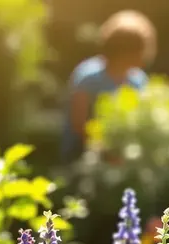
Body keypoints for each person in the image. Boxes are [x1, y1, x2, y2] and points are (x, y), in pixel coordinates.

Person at [61, 10, 157, 162]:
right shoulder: (88, 77)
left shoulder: (138, 81)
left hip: (124, 156)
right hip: (84, 155)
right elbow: (79, 125)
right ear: (125, 51)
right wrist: (107, 153)